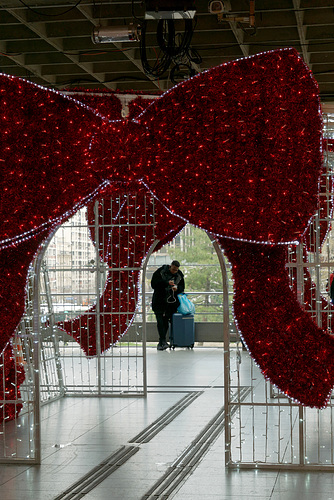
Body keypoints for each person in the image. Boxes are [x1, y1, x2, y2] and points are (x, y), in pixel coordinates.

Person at [151, 260, 185, 350]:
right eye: (173, 269)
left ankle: (163, 341)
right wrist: (166, 283)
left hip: (171, 303)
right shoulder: (160, 272)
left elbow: (182, 288)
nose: (174, 272)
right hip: (159, 301)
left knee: (165, 321)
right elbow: (154, 284)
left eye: (176, 270)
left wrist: (176, 288)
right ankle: (162, 340)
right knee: (160, 320)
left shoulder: (179, 275)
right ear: (170, 266)